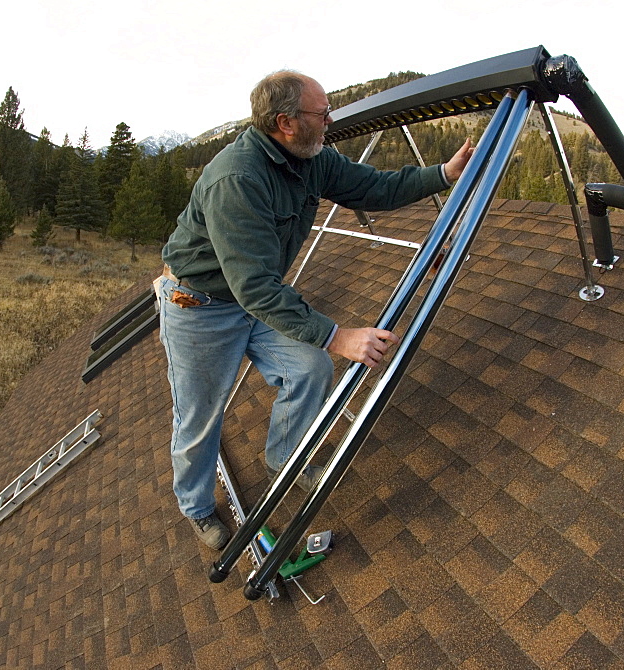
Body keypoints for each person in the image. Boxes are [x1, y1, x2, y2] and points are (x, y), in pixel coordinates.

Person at [159, 70, 474, 549]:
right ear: (286, 122)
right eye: (322, 113)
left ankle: (287, 457)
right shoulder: (237, 180)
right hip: (199, 307)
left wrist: (443, 175)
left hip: (251, 297)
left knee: (309, 367)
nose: (330, 120)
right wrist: (339, 335)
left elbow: (373, 188)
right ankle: (197, 507)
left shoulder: (311, 158)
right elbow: (258, 288)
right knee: (201, 415)